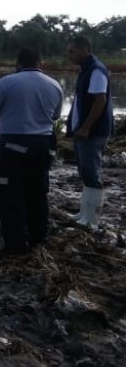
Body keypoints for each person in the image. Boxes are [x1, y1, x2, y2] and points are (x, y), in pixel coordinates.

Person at [0, 48, 64, 255]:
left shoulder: (7, 82)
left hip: (12, 147)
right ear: (40, 63)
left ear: (17, 63)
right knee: (37, 193)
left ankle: (15, 247)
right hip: (43, 147)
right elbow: (55, 116)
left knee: (8, 196)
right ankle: (38, 241)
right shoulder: (55, 85)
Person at [66, 36, 114, 228]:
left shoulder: (96, 70)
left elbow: (100, 100)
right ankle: (83, 214)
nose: (69, 55)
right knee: (85, 171)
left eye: (72, 52)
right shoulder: (87, 69)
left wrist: (86, 127)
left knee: (92, 173)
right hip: (84, 131)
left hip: (93, 132)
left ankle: (92, 220)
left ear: (85, 49)